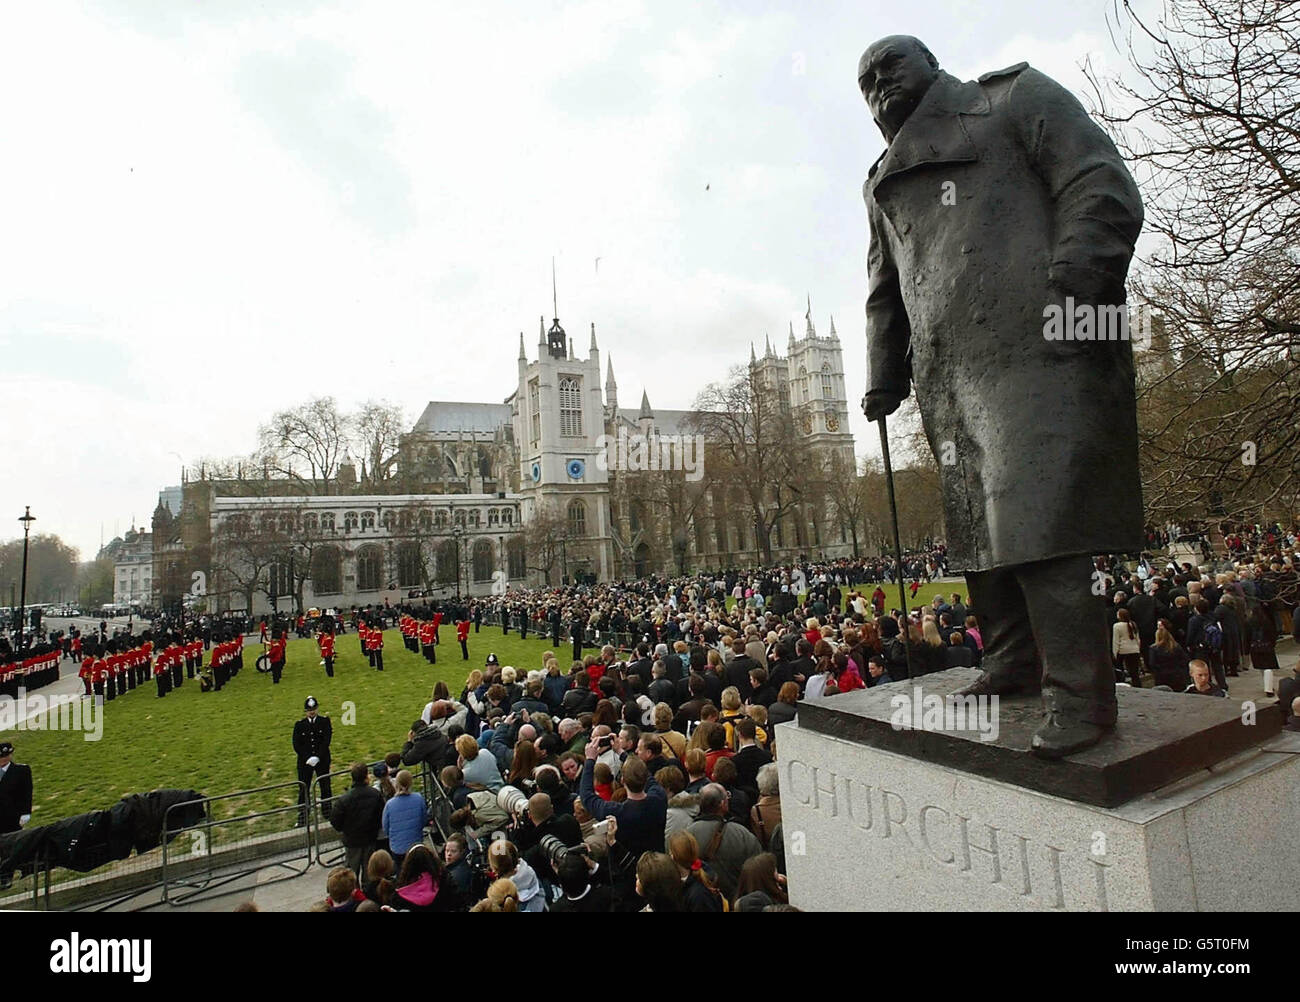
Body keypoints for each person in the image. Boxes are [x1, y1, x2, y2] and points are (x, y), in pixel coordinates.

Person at [860, 35, 1145, 756]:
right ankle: (1011, 661)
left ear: (931, 64)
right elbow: (885, 289)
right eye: (866, 83)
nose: (879, 86)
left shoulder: (1011, 98)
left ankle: (1082, 696)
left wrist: (1077, 276)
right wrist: (883, 372)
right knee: (976, 524)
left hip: (1038, 342)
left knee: (1038, 516)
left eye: (891, 66)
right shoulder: (880, 179)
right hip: (949, 368)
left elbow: (1100, 179)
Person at [685, 783, 762, 901]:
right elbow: (758, 866)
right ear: (722, 804)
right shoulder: (741, 834)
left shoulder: (687, 835)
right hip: (736, 900)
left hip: (701, 902)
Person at [329, 761, 385, 880]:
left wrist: (344, 830)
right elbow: (382, 815)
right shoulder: (375, 794)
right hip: (370, 838)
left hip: (352, 841)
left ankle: (353, 894)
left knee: (351, 875)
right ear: (366, 776)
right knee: (369, 873)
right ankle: (368, 893)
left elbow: (334, 820)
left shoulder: (344, 800)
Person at [293, 697, 332, 826]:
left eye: (314, 709)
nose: (312, 712)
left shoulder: (325, 722)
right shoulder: (299, 725)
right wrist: (307, 758)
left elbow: (326, 741)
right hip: (305, 762)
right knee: (304, 788)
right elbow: (297, 744)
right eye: (309, 710)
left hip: (322, 760)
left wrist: (318, 756)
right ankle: (303, 816)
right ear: (305, 711)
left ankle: (327, 811)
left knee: (325, 786)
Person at [0, 741, 33, 887]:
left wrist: (26, 813)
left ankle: (5, 878)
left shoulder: (21, 771)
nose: (4, 759)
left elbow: (27, 793)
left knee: (10, 848)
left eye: (6, 756)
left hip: (12, 817)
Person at [381, 769, 428, 865]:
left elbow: (385, 827)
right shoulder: (419, 799)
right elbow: (424, 820)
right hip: (415, 846)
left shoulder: (390, 804)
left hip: (397, 847)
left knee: (401, 874)